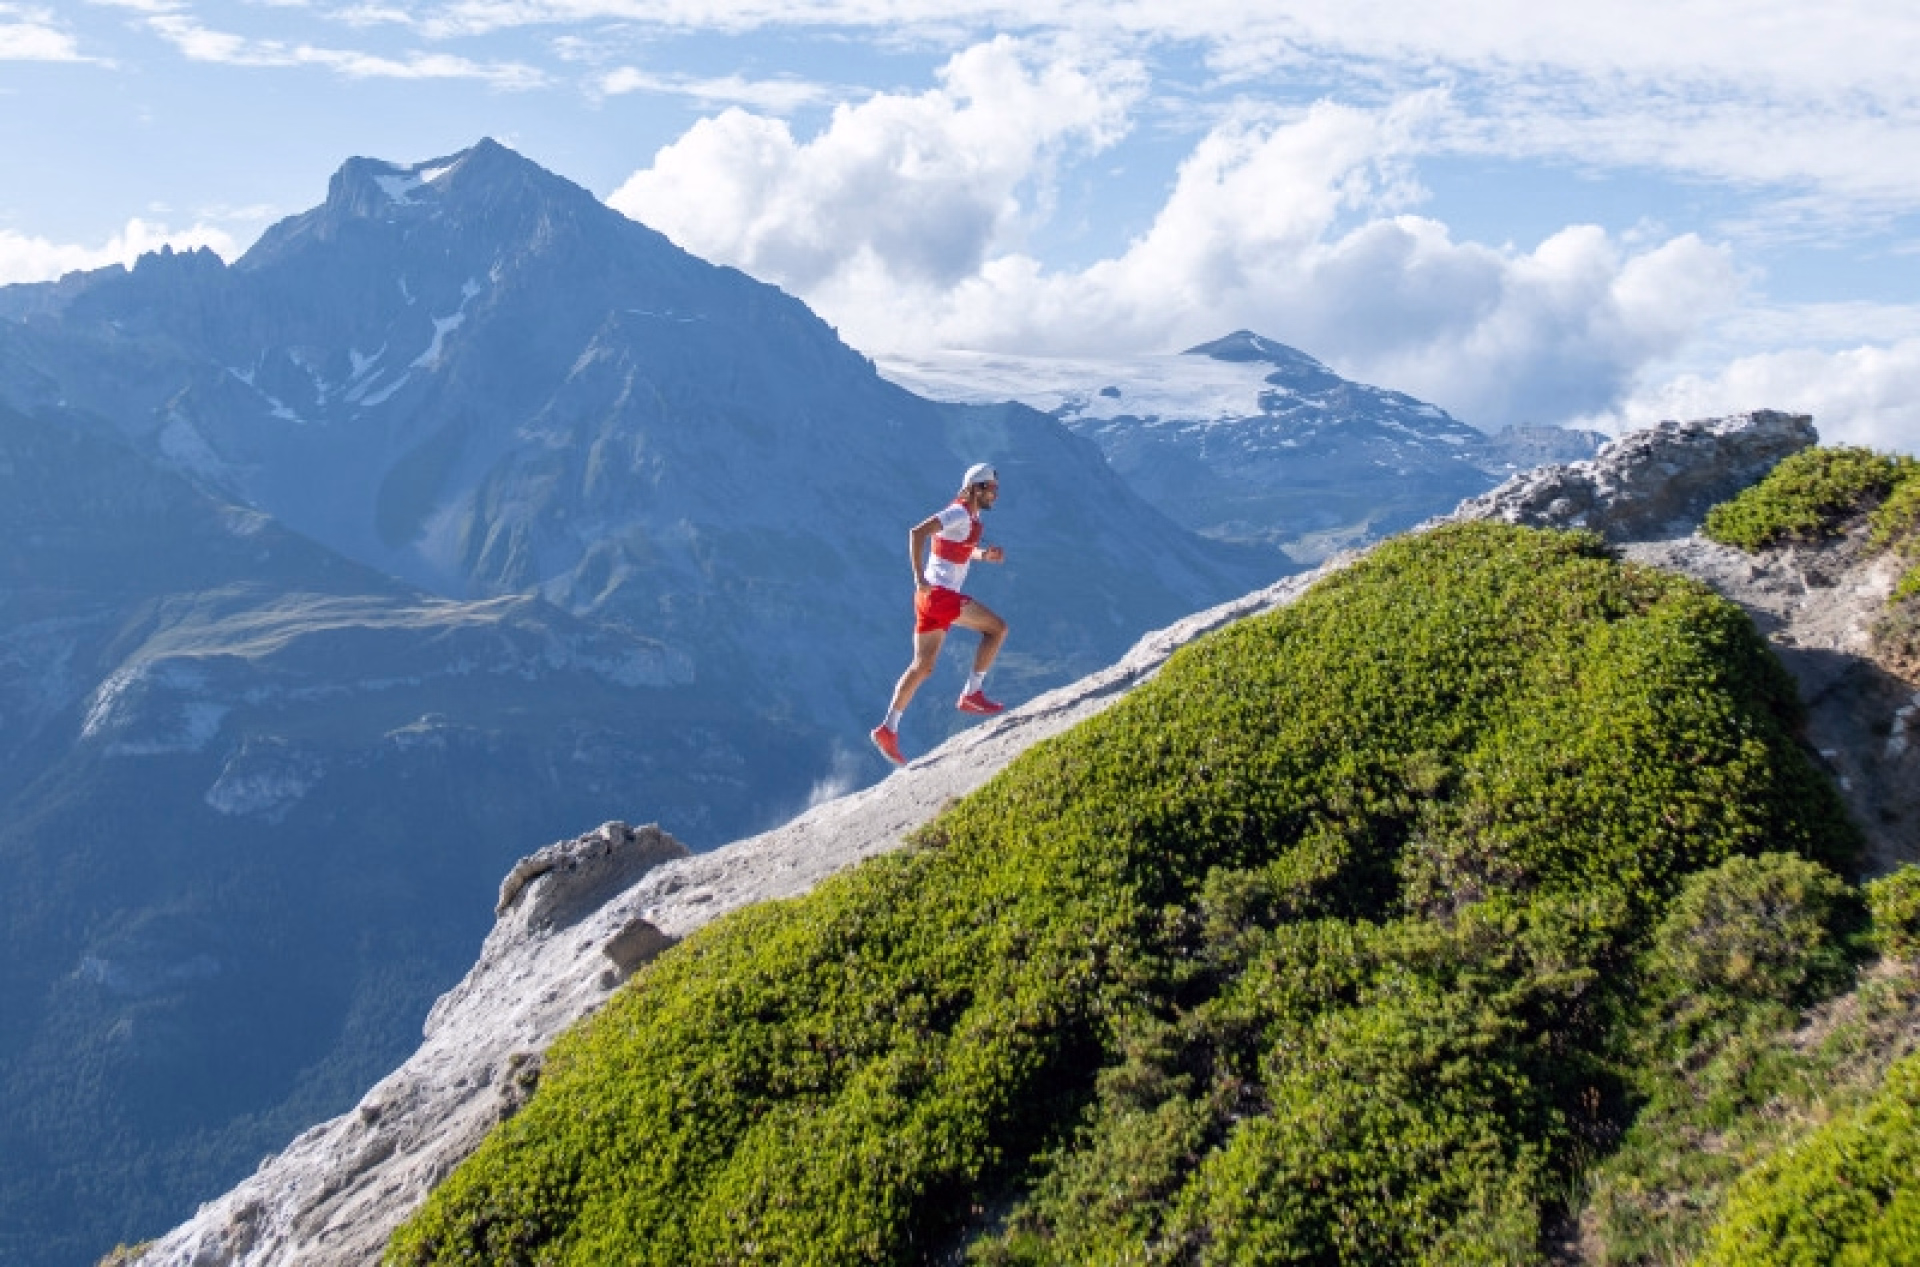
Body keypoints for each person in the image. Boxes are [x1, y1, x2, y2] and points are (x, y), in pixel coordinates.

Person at [870, 462, 1009, 766]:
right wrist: (919, 578)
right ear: (976, 488)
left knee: (923, 667)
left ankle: (888, 729)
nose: (995, 495)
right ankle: (972, 692)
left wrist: (983, 555)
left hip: (928, 599)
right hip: (939, 595)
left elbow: (955, 546)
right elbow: (917, 532)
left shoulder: (966, 517)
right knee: (997, 629)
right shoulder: (959, 511)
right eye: (992, 489)